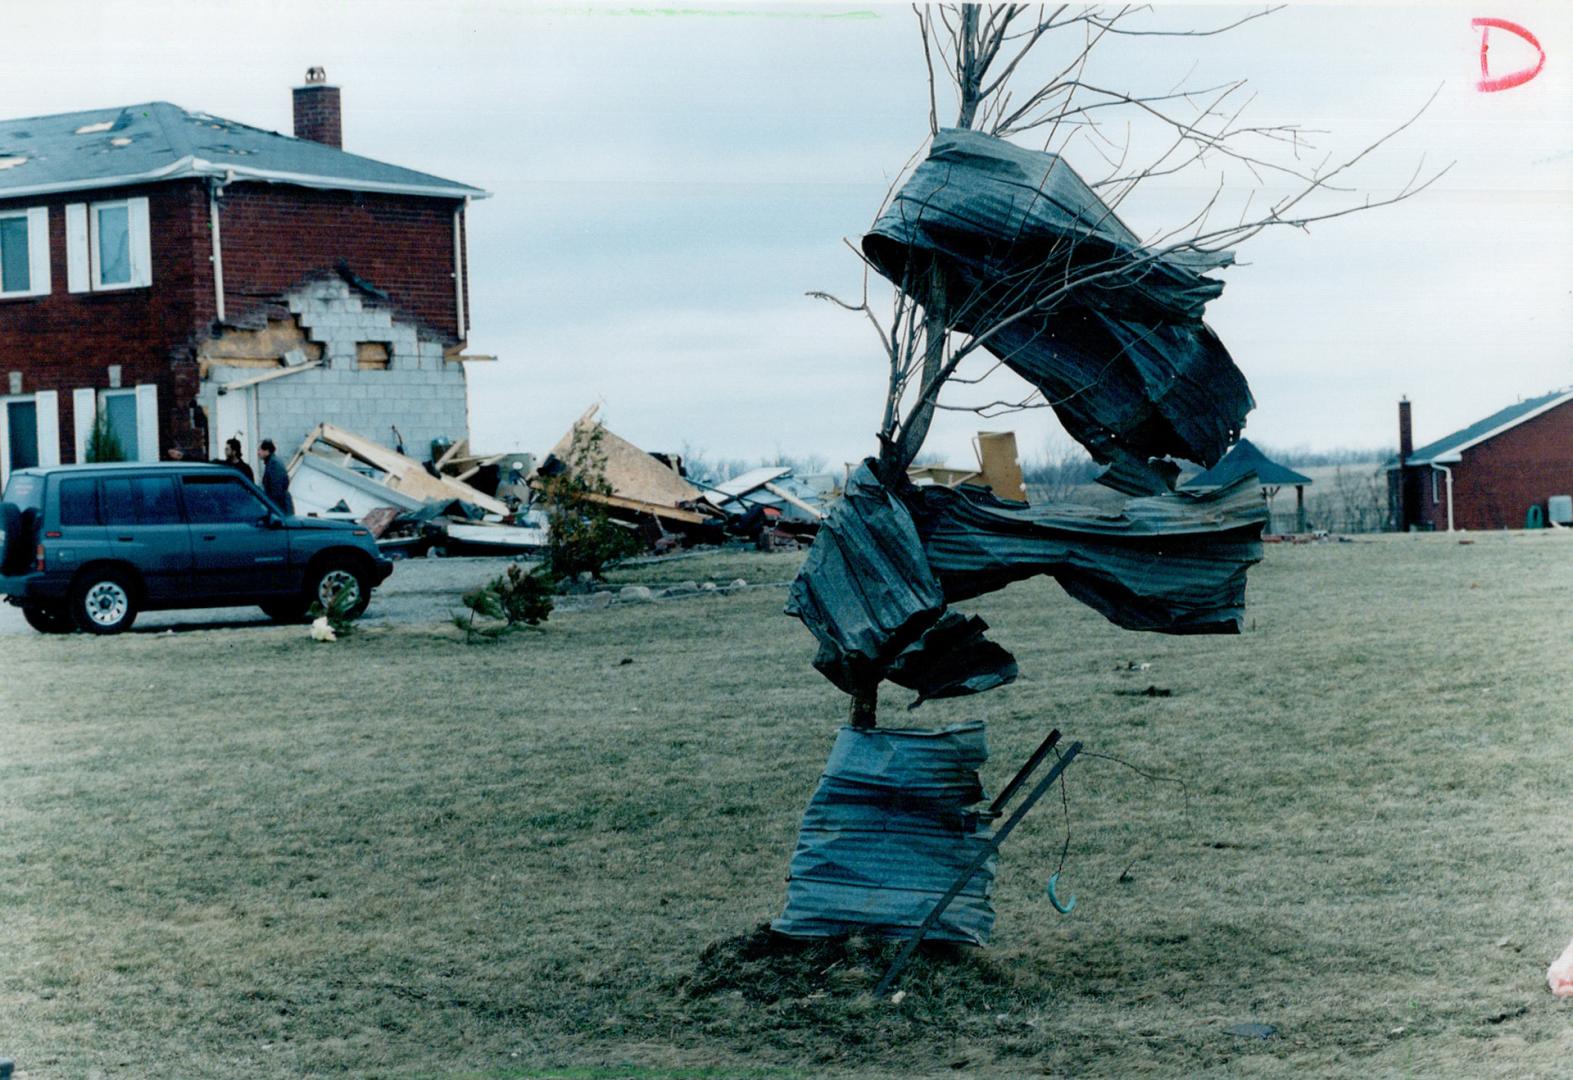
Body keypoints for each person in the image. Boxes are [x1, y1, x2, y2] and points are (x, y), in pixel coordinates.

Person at [257, 438, 294, 514]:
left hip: (281, 508)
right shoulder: (272, 462)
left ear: (267, 451)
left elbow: (276, 491)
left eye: (259, 450)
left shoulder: (273, 465)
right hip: (281, 506)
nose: (258, 452)